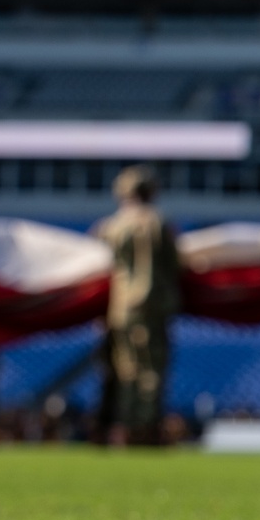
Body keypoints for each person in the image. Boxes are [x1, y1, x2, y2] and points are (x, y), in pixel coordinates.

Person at [93, 165, 182, 447]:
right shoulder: (160, 223)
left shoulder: (111, 226)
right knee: (152, 370)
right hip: (155, 307)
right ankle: (147, 427)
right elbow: (176, 264)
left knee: (125, 369)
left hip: (121, 308)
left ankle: (126, 426)